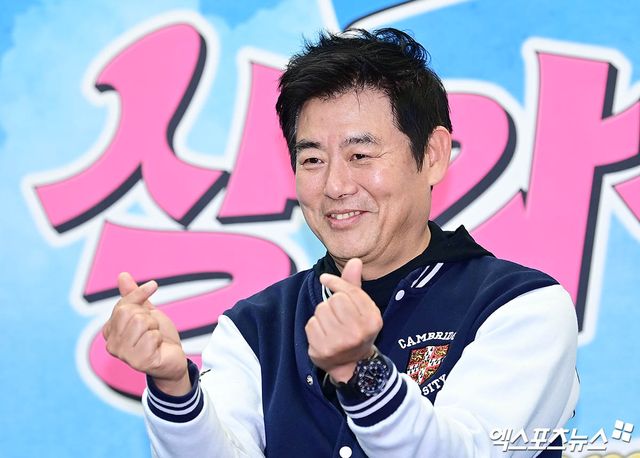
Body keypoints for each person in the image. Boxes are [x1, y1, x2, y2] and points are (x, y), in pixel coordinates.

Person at [103, 28, 579, 457]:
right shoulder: (255, 328)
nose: (335, 185)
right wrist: (173, 386)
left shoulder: (521, 307)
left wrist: (362, 372)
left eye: (360, 154)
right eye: (312, 160)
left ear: (432, 155)